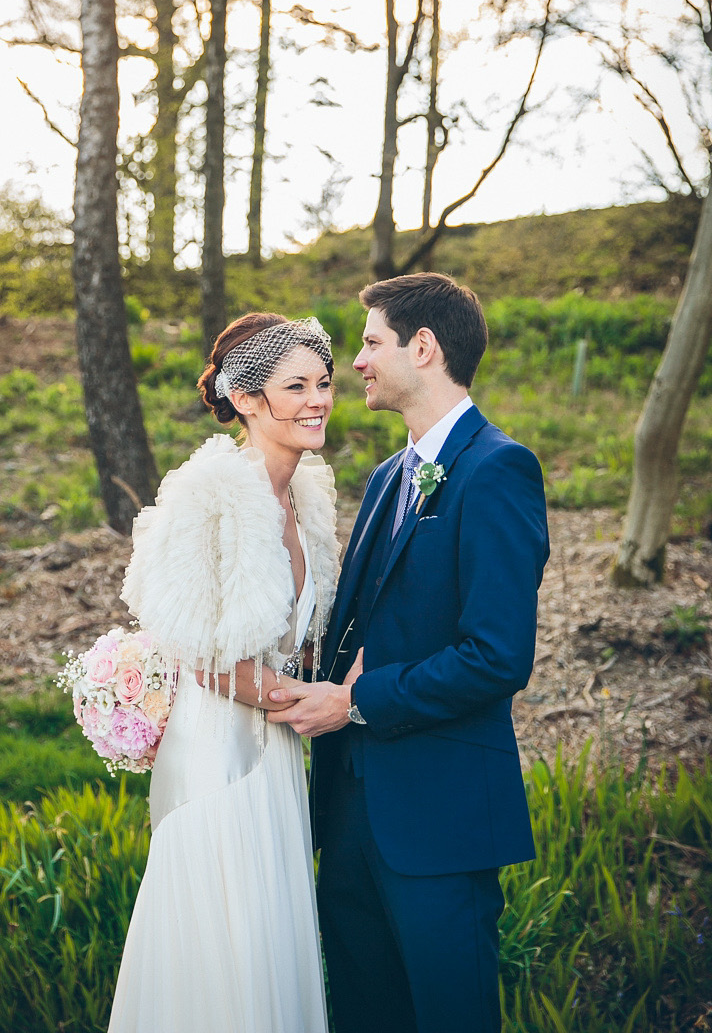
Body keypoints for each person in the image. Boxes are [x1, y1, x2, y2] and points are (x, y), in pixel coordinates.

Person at [269, 273, 550, 1033]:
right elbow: (359, 630)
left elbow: (496, 657)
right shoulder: (389, 474)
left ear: (422, 347)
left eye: (370, 342)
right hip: (350, 811)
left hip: (438, 818)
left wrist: (356, 701)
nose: (355, 362)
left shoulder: (498, 471)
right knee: (366, 1015)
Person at [108, 312, 342, 1033]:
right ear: (245, 399)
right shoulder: (208, 493)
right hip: (219, 754)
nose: (318, 400)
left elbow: (300, 638)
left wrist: (331, 680)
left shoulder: (306, 495)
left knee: (272, 939)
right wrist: (323, 702)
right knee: (227, 947)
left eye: (325, 382)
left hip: (276, 749)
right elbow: (195, 650)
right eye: (295, 385)